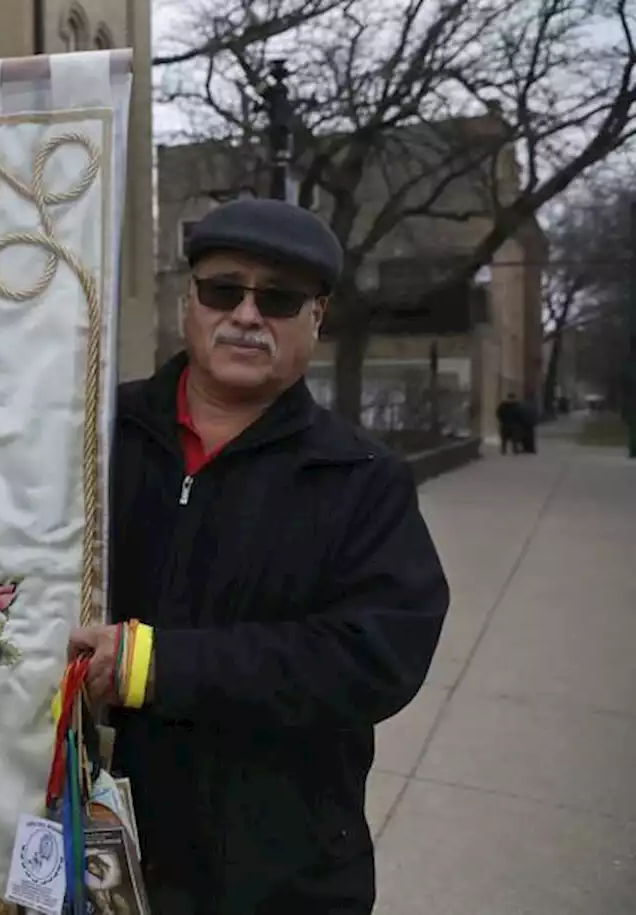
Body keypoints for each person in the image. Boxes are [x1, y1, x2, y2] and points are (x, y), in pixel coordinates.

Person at [68, 199, 450, 915]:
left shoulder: (362, 478)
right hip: (89, 849)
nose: (246, 314)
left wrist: (158, 666)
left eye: (277, 299)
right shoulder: (90, 431)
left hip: (274, 875)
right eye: (223, 289)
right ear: (190, 301)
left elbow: (375, 658)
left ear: (317, 316)